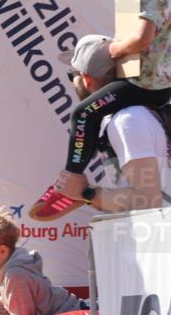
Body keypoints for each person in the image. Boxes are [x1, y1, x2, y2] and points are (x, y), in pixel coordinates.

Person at [32, 0, 171, 220]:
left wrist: (114, 50)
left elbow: (144, 38)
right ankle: (77, 185)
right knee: (93, 117)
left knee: (83, 114)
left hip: (144, 84)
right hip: (155, 84)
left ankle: (71, 179)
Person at [51, 34, 171, 210]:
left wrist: (85, 192)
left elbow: (148, 201)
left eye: (72, 75)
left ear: (86, 78)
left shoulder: (128, 120)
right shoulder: (131, 116)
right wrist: (86, 196)